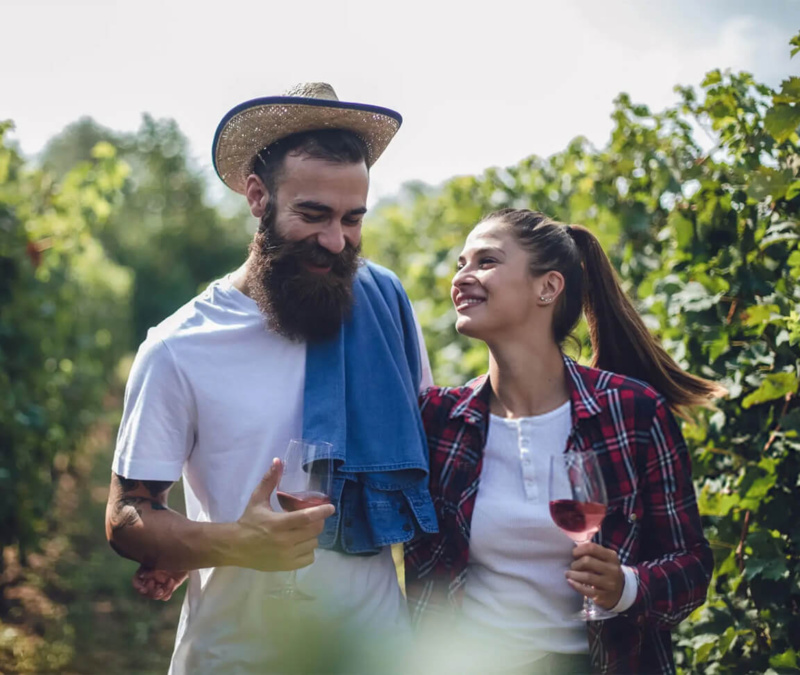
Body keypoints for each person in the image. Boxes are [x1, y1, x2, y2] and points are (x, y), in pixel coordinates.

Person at [105, 83, 437, 674]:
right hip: (237, 655)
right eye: (313, 215)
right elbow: (128, 515)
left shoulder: (386, 308)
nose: (336, 241)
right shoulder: (179, 347)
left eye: (352, 219)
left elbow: (432, 448)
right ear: (258, 197)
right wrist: (231, 543)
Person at [404, 209, 722, 674]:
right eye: (460, 264)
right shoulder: (439, 418)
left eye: (486, 261)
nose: (462, 278)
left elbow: (692, 566)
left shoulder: (631, 411)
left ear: (547, 288)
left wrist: (627, 587)